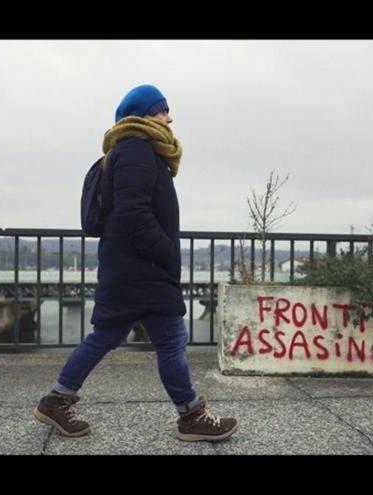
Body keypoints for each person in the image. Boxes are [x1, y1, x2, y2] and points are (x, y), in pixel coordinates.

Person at [32, 84, 238, 442]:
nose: (169, 117)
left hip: (131, 269)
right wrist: (167, 252)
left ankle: (56, 401)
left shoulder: (131, 151)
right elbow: (133, 213)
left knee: (108, 336)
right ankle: (190, 416)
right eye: (162, 110)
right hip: (143, 269)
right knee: (170, 339)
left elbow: (130, 213)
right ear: (143, 116)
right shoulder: (136, 151)